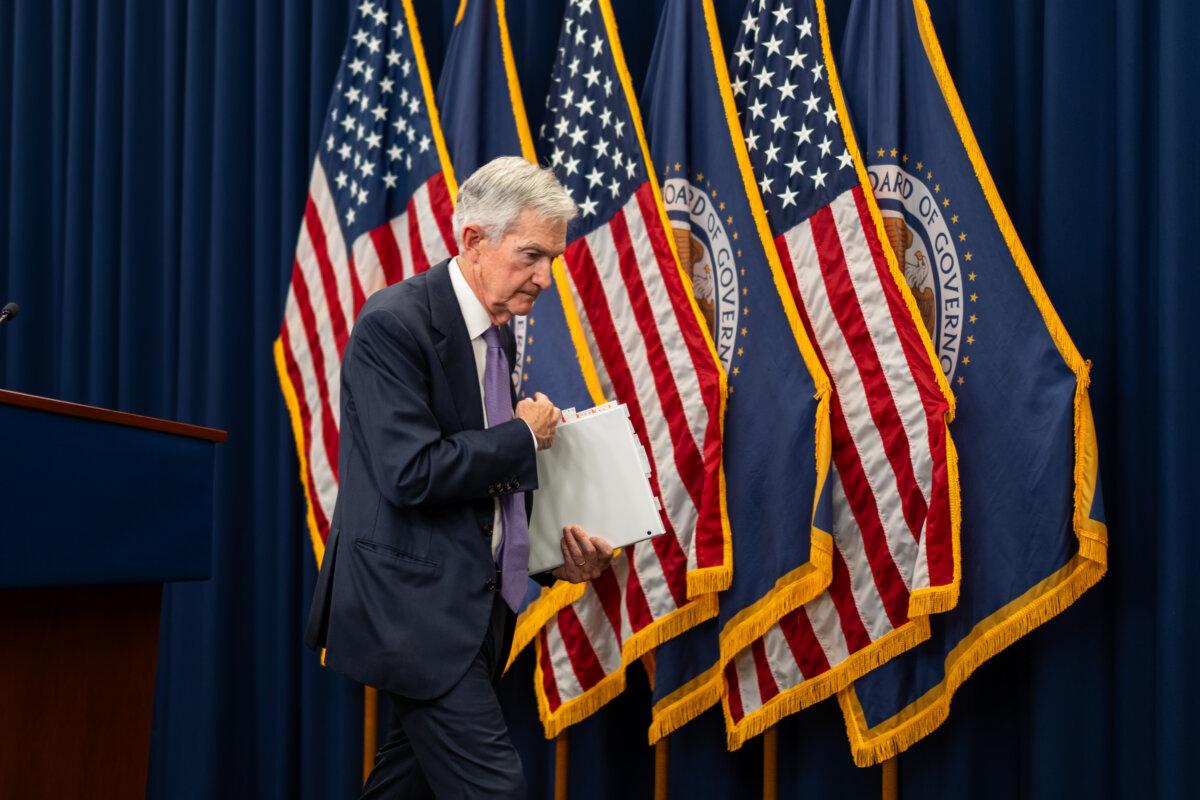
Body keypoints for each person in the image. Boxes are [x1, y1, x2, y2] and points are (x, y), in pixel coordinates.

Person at [305, 157, 615, 798]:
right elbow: (412, 474)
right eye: (533, 256)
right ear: (473, 240)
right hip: (413, 614)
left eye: (553, 258)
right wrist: (523, 437)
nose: (547, 278)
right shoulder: (393, 324)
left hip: (472, 613)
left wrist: (555, 561)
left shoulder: (499, 333)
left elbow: (480, 498)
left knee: (404, 786)